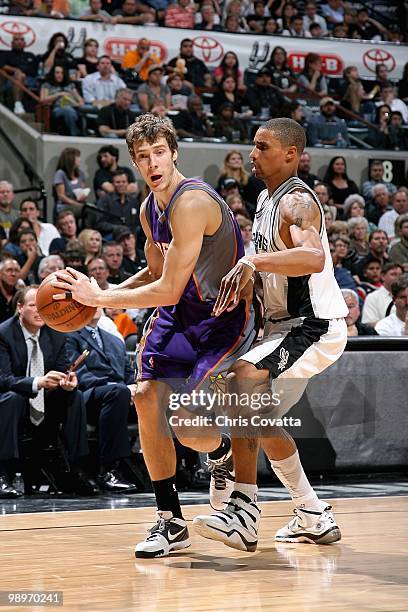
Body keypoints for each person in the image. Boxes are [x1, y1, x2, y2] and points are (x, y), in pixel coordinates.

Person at [51, 113, 256, 558]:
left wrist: (100, 299)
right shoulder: (149, 209)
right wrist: (105, 293)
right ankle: (169, 520)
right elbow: (158, 272)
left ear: (174, 152)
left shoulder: (192, 202)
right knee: (144, 397)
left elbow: (168, 287)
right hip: (178, 315)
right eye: (142, 157)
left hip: (221, 321)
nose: (152, 163)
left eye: (159, 152)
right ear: (134, 162)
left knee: (187, 425)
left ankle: (219, 453)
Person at [192, 118, 348, 552]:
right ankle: (312, 513)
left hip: (313, 325)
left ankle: (244, 510)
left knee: (243, 379)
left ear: (291, 154)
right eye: (252, 146)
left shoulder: (297, 200)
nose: (252, 154)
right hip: (283, 326)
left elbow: (313, 258)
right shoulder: (264, 198)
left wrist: (253, 264)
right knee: (250, 411)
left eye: (262, 147)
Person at [0, 286, 98, 498]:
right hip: (14, 400)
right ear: (19, 308)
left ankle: (76, 468)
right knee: (12, 399)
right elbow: (3, 379)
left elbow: (64, 369)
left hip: (46, 401)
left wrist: (67, 381)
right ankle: (4, 474)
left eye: (44, 306)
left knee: (75, 395)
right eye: (34, 305)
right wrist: (37, 382)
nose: (40, 310)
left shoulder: (57, 332)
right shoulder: (3, 334)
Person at [66, 308, 139, 493]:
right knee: (118, 391)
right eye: (90, 302)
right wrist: (119, 387)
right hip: (87, 396)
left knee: (161, 394)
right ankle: (109, 470)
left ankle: (176, 468)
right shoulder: (69, 336)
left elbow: (128, 373)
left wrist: (136, 388)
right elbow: (79, 374)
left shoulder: (114, 339)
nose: (95, 306)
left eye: (98, 303)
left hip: (119, 395)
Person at [40, 64, 84, 136]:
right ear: (53, 74)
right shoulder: (46, 85)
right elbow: (43, 100)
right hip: (57, 108)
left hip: (73, 106)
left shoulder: (70, 85)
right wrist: (59, 94)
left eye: (62, 73)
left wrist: (78, 104)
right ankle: (75, 133)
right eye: (57, 72)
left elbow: (80, 100)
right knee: (67, 109)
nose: (60, 75)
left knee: (80, 110)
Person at [0, 33, 38, 115]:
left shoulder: (30, 55)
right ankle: (17, 104)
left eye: (22, 40)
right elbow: (2, 66)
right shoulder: (5, 54)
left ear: (25, 43)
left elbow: (35, 71)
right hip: (10, 81)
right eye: (16, 39)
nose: (19, 42)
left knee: (23, 76)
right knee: (19, 75)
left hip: (29, 81)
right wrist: (16, 70)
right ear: (12, 43)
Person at [96, 170, 141, 237]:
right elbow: (100, 223)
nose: (121, 184)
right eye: (118, 182)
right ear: (112, 184)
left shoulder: (133, 201)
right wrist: (118, 228)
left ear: (127, 183)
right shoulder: (104, 200)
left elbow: (138, 222)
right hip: (111, 236)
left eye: (123, 182)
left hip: (132, 236)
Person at [361, 262, 403, 327]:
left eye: (400, 275)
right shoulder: (372, 297)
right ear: (383, 276)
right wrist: (392, 325)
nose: (398, 278)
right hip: (383, 336)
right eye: (393, 274)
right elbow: (368, 324)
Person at [53, 148, 88, 219]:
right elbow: (61, 196)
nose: (80, 160)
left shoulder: (81, 174)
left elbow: (82, 189)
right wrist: (76, 204)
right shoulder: (60, 174)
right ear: (70, 159)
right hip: (64, 206)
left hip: (78, 204)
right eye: (77, 157)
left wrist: (83, 196)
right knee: (87, 211)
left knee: (93, 210)